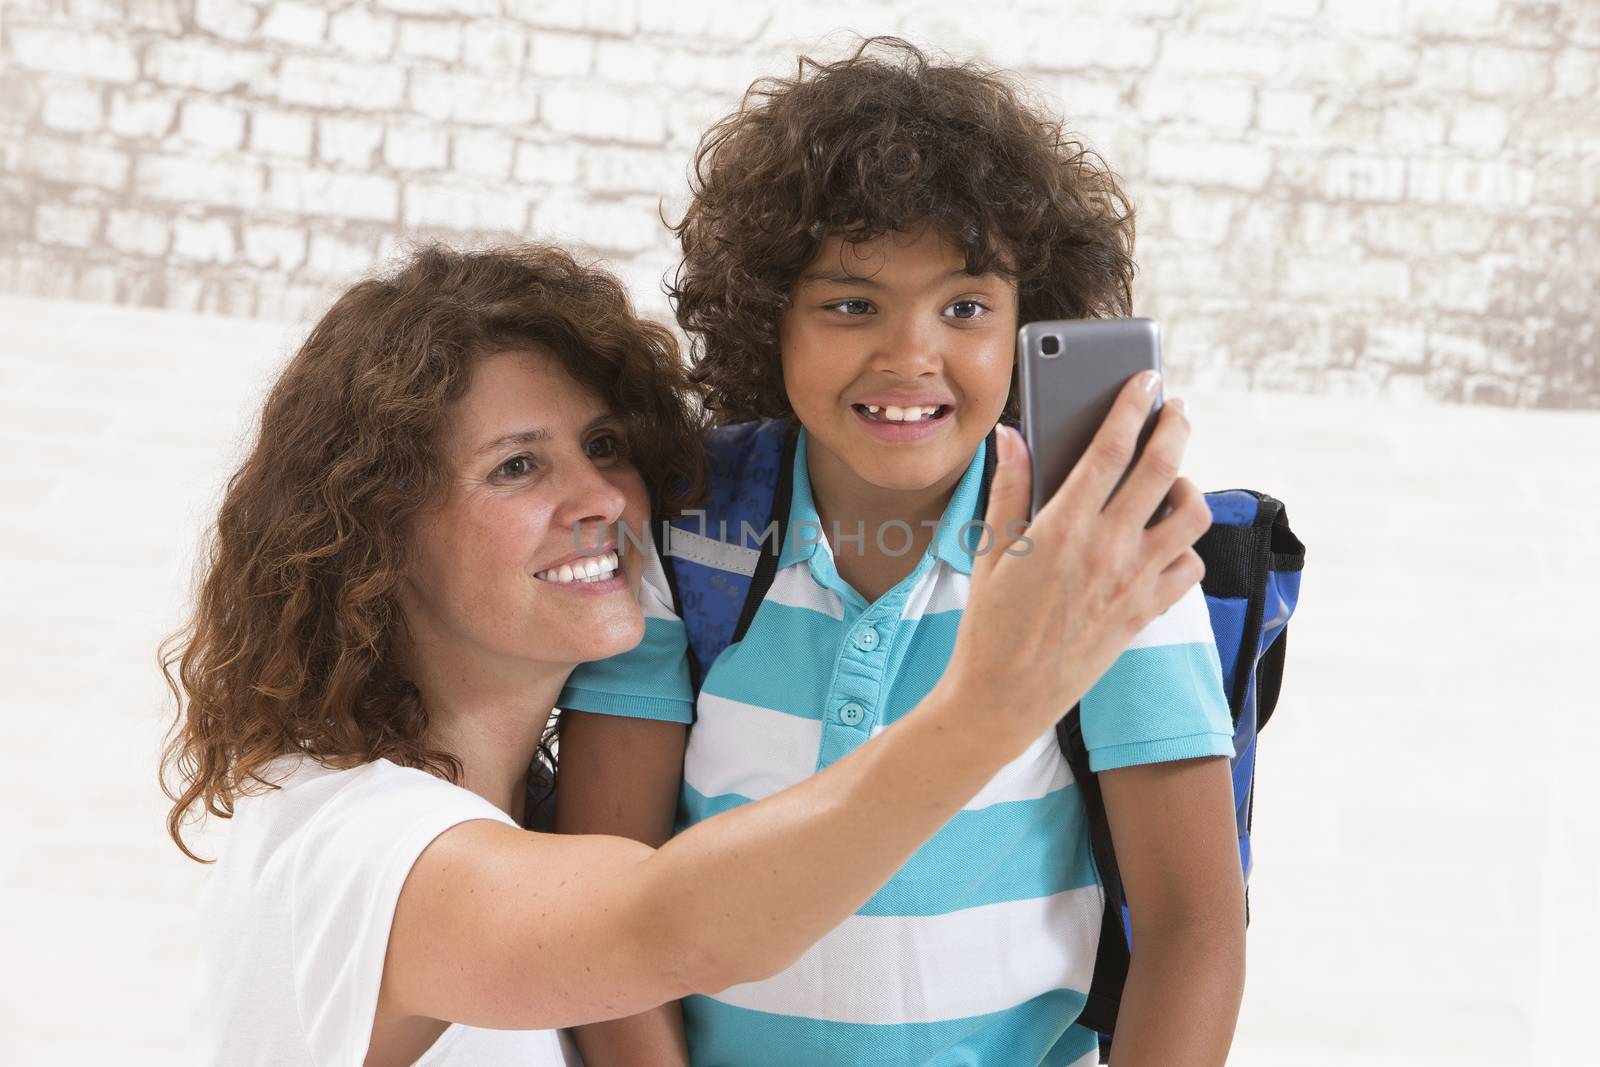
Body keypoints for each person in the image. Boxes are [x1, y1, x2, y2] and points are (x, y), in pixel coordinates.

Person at [161, 242, 1216, 1066]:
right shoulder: (358, 843)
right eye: (518, 465)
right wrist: (994, 693)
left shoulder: (517, 820)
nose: (602, 502)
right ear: (375, 529)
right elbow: (678, 927)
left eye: (607, 447)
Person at [556, 40, 1246, 1067]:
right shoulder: (688, 525)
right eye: (850, 303)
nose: (909, 353)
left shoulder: (1102, 553)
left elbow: (1194, 926)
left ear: (1026, 325)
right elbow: (600, 899)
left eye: (963, 307)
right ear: (767, 319)